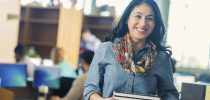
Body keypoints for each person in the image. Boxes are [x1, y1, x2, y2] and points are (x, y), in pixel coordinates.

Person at [83, 0, 179, 100]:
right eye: (138, 16)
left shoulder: (161, 57)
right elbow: (90, 88)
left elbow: (171, 95)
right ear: (127, 19)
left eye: (149, 18)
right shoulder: (106, 49)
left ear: (155, 24)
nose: (143, 23)